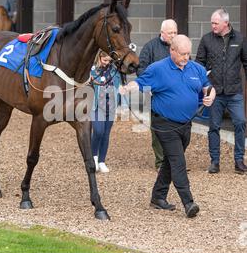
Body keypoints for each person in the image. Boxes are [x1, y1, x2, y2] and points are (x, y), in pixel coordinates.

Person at [120, 35, 216, 218]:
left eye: (188, 53)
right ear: (172, 50)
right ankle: (188, 202)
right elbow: (139, 83)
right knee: (178, 161)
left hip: (186, 124)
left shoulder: (196, 68)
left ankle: (158, 196)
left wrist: (210, 95)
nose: (186, 57)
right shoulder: (158, 69)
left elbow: (207, 86)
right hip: (164, 123)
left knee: (170, 162)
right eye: (182, 54)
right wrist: (126, 88)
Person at [196, 8, 247, 175]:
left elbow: (246, 62)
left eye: (215, 23)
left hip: (234, 92)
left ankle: (239, 160)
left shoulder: (240, 39)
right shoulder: (206, 40)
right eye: (212, 23)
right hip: (214, 92)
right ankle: (214, 162)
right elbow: (199, 64)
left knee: (240, 122)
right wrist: (200, 86)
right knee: (214, 127)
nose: (213, 26)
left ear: (226, 23)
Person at [137, 19, 178, 171]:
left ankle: (174, 161)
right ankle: (161, 162)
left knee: (177, 128)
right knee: (159, 130)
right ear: (162, 33)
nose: (173, 36)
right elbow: (141, 70)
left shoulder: (179, 46)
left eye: (175, 32)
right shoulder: (150, 47)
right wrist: (154, 86)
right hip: (158, 96)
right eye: (170, 33)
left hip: (177, 95)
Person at [91, 50, 121, 173]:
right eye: (105, 60)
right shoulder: (92, 70)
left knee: (106, 133)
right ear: (99, 57)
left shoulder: (114, 70)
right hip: (97, 106)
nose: (107, 63)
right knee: (98, 131)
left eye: (109, 61)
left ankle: (102, 161)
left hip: (111, 106)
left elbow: (118, 86)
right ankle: (93, 157)